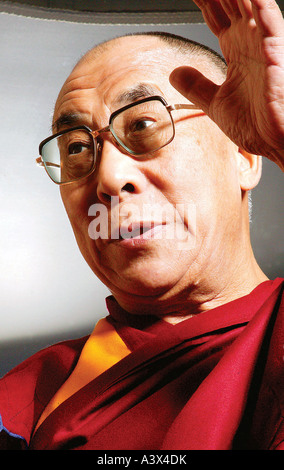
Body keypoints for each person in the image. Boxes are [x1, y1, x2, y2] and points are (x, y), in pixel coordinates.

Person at [0, 0, 283, 450]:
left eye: (144, 124)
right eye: (75, 148)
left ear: (245, 155)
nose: (109, 178)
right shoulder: (29, 397)